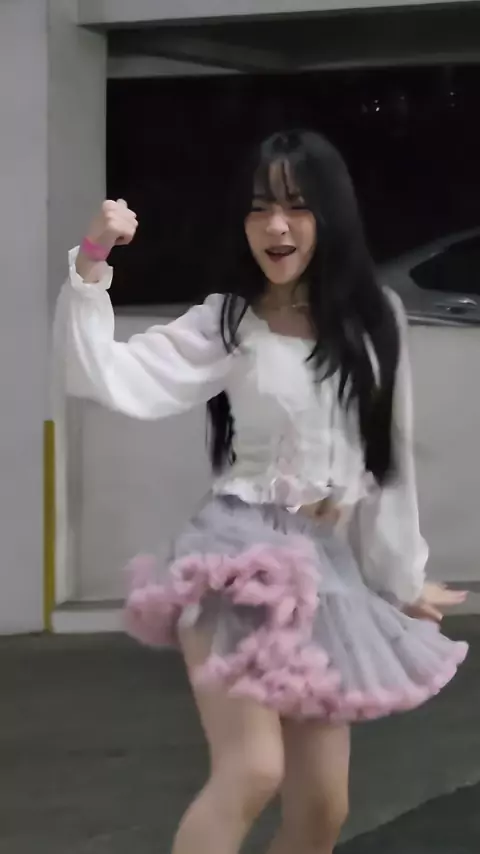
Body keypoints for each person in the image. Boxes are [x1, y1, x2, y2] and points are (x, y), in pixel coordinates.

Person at [55, 129, 468, 854]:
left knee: (323, 807)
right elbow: (106, 375)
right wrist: (92, 262)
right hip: (236, 559)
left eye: (296, 207)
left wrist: (401, 579)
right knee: (252, 770)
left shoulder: (375, 319)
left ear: (330, 215)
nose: (276, 226)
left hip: (325, 570)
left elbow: (385, 462)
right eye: (259, 208)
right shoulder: (230, 320)